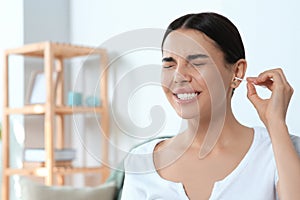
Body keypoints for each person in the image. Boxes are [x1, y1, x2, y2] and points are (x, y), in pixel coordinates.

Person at [121, 12, 300, 200]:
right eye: (169, 65)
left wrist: (276, 123)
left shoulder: (281, 150)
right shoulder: (141, 162)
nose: (179, 76)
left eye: (196, 62)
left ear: (236, 71)